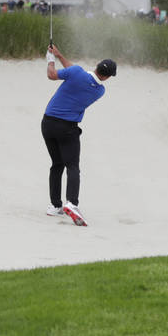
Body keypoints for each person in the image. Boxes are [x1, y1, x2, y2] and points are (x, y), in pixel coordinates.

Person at [41, 44, 116, 227]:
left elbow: (55, 74)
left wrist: (51, 60)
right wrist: (59, 55)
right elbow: (76, 74)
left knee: (57, 164)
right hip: (67, 128)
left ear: (96, 65)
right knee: (73, 166)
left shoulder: (76, 72)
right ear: (106, 77)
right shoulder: (99, 91)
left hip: (48, 124)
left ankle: (55, 206)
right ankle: (72, 204)